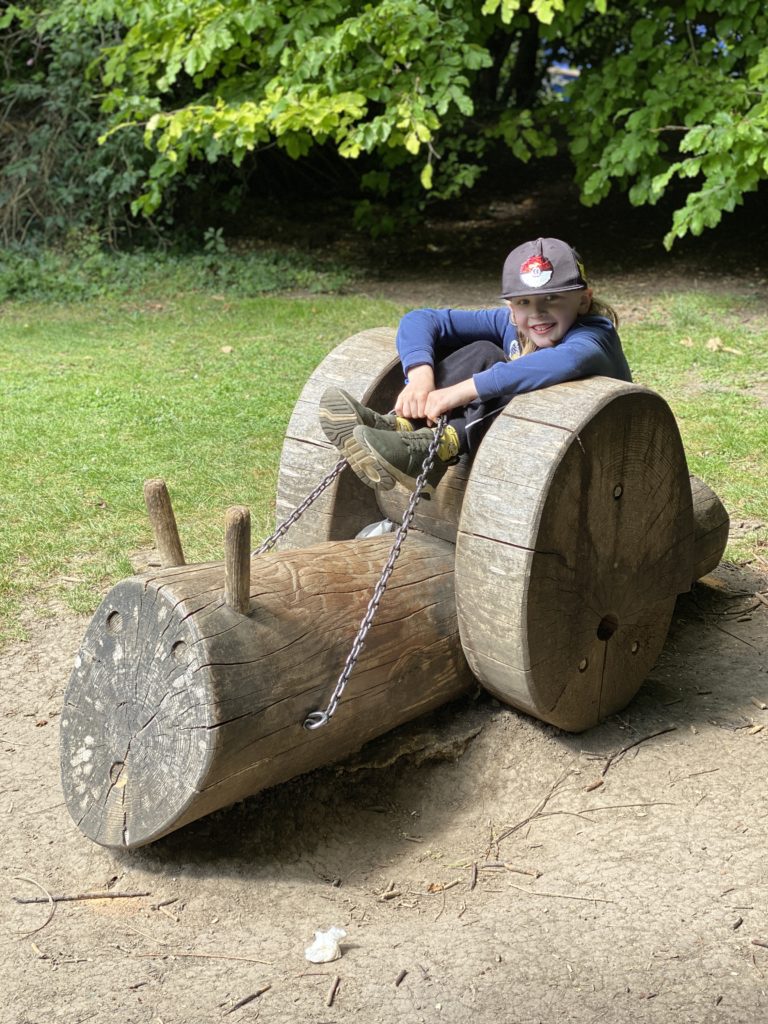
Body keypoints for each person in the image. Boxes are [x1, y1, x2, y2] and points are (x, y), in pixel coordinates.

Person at [318, 237, 631, 492]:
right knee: (482, 351)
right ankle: (400, 428)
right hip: (543, 446)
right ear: (510, 308)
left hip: (597, 453)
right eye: (523, 302)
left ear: (583, 300)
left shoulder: (593, 334)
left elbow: (565, 361)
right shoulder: (511, 324)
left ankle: (438, 446)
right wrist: (420, 378)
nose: (536, 313)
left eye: (552, 298)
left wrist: (461, 392)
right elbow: (421, 319)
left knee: (519, 380)